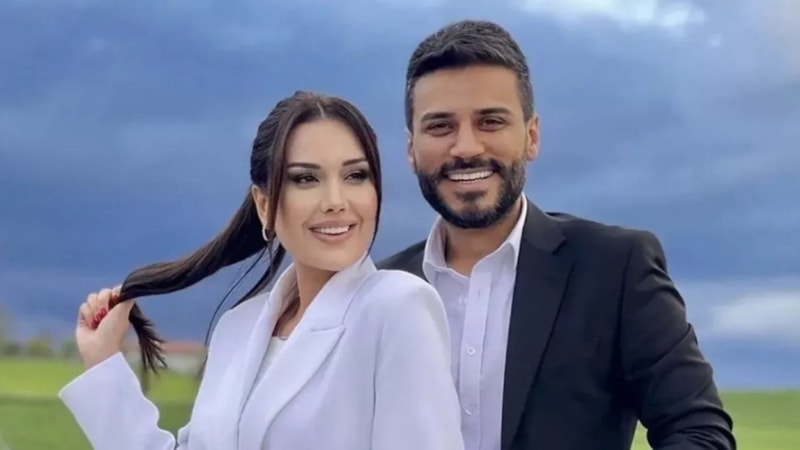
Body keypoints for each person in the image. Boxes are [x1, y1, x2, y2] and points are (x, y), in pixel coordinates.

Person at [379, 20, 736, 450]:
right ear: (411, 149)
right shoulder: (378, 293)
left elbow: (699, 432)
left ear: (531, 137)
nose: (467, 147)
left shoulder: (616, 269)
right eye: (440, 126)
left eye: (490, 121)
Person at [59, 91, 465, 450]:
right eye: (306, 179)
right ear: (264, 204)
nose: (336, 200)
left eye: (355, 175)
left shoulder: (398, 307)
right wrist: (104, 362)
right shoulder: (238, 328)